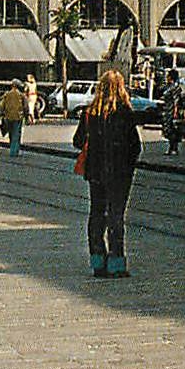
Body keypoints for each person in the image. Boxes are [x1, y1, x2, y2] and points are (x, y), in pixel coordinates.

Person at [71, 70, 142, 278]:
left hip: (95, 173)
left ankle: (98, 262)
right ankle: (116, 263)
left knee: (96, 215)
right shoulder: (125, 113)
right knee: (116, 217)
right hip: (120, 174)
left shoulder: (89, 113)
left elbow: (77, 141)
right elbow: (135, 146)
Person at [0, 79, 27, 159]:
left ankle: (12, 150)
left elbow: (1, 105)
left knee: (11, 134)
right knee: (16, 134)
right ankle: (15, 151)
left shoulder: (6, 94)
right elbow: (25, 106)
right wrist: (26, 115)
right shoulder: (21, 95)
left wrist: (2, 113)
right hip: (18, 117)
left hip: (8, 117)